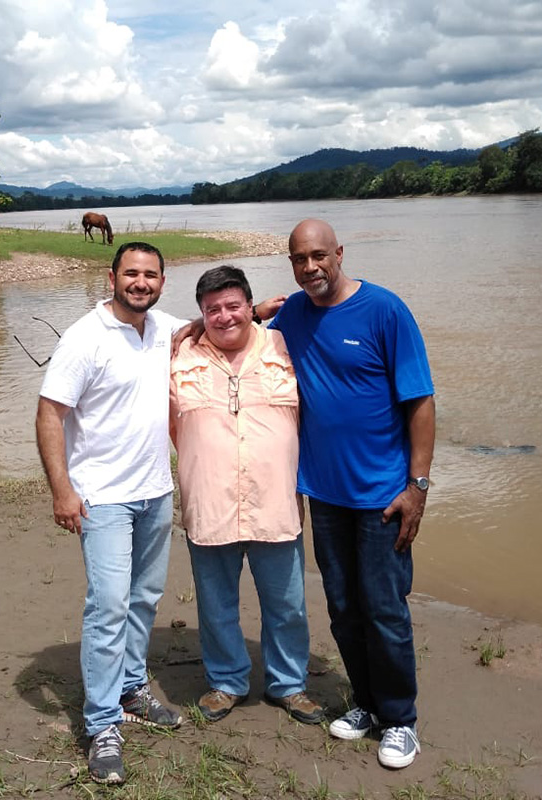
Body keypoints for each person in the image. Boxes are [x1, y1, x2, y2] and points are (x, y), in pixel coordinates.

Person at [269, 218, 435, 769]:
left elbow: (420, 401)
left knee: (385, 609)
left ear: (340, 252)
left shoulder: (385, 310)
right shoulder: (293, 313)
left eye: (319, 255)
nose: (310, 267)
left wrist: (418, 486)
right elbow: (238, 320)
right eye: (299, 259)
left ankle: (401, 720)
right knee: (342, 607)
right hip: (325, 495)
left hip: (383, 496)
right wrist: (198, 323)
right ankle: (365, 703)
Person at [36, 242, 187, 785]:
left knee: (144, 598)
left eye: (150, 274)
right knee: (109, 605)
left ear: (162, 282)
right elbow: (51, 413)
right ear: (112, 276)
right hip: (102, 497)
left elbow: (209, 326)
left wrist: (262, 310)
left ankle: (130, 688)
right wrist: (62, 491)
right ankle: (102, 725)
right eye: (131, 273)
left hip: (155, 490)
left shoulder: (163, 327)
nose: (140, 282)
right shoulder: (84, 338)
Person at [169, 265, 324, 726]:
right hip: (209, 503)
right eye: (211, 310)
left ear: (250, 308)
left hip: (274, 502)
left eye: (234, 306)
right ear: (200, 314)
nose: (223, 316)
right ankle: (227, 681)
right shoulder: (176, 355)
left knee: (288, 604)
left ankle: (289, 684)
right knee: (216, 604)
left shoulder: (285, 344)